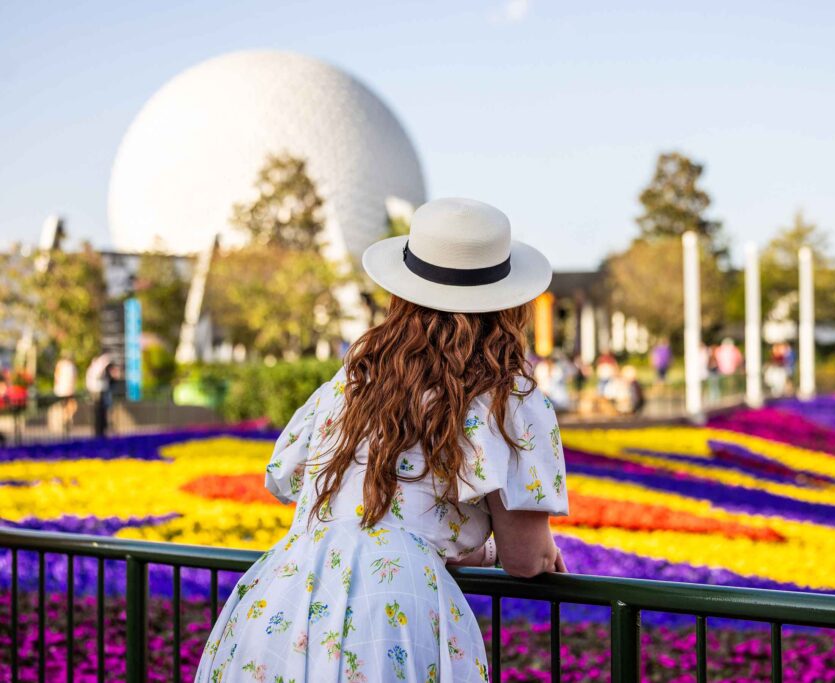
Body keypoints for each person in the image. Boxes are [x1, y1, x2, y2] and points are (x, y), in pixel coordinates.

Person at [195, 198, 569, 683]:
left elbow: (345, 509)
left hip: (287, 597)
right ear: (508, 303)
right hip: (392, 610)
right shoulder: (503, 395)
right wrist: (505, 553)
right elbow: (527, 557)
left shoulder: (353, 379)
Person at [85, 352, 113, 438]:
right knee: (98, 415)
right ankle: (99, 432)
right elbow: (97, 374)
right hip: (97, 394)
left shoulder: (98, 369)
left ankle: (102, 431)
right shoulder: (96, 368)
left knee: (102, 415)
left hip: (101, 394)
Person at [53, 353, 78, 434]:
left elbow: (74, 378)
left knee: (71, 406)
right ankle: (64, 422)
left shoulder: (71, 366)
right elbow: (57, 376)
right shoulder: (61, 365)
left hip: (69, 390)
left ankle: (67, 420)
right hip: (62, 390)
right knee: (63, 407)